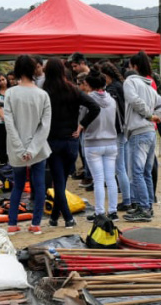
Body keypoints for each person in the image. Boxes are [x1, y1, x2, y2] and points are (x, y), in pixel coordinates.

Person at [43, 58, 99, 228]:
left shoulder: (44, 92)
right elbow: (95, 107)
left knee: (58, 181)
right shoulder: (73, 90)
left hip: (52, 141)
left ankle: (67, 218)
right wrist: (81, 125)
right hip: (71, 141)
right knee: (62, 181)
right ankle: (54, 217)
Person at [4, 54, 51, 235]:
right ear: (33, 70)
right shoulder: (42, 95)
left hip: (17, 149)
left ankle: (12, 223)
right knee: (39, 186)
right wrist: (32, 149)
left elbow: (9, 123)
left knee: (18, 186)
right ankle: (36, 223)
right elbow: (45, 126)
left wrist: (20, 149)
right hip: (38, 150)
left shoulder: (10, 93)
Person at [122, 52, 161, 222]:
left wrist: (150, 115)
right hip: (150, 132)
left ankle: (144, 208)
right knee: (145, 172)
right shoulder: (149, 87)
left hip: (139, 131)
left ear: (133, 67)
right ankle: (147, 205)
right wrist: (155, 116)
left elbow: (133, 100)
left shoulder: (130, 82)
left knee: (137, 172)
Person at [81, 69, 119, 220]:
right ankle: (113, 211)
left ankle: (99, 212)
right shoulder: (112, 100)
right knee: (110, 178)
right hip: (111, 142)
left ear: (89, 84)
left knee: (98, 179)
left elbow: (82, 120)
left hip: (93, 142)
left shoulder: (87, 100)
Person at [100, 62, 131, 211]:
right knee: (123, 167)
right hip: (124, 129)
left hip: (117, 131)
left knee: (120, 168)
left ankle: (127, 200)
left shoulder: (112, 89)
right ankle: (128, 198)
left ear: (106, 76)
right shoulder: (121, 85)